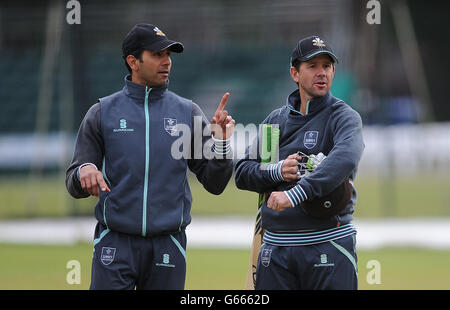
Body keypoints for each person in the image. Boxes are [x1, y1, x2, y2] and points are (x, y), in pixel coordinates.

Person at [65, 23, 235, 290]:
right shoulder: (102, 112)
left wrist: (223, 144)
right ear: (133, 61)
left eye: (168, 55)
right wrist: (84, 169)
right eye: (157, 55)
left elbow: (215, 183)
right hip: (114, 243)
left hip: (168, 245)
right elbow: (73, 181)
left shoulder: (187, 113)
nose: (166, 61)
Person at [235, 36, 364, 290]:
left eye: (327, 66)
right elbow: (243, 172)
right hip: (276, 249)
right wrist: (277, 170)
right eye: (312, 66)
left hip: (329, 243)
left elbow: (344, 159)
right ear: (295, 73)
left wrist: (294, 195)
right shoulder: (275, 123)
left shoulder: (344, 117)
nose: (321, 73)